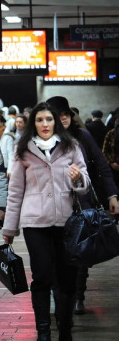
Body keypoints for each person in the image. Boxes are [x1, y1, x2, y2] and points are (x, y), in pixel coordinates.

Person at [2, 102, 91, 341]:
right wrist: (9, 227)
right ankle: (43, 331)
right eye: (40, 120)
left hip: (66, 223)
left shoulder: (71, 147)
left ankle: (65, 330)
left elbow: (84, 185)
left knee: (67, 278)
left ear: (56, 122)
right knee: (41, 276)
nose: (44, 124)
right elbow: (15, 191)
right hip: (35, 223)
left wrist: (78, 179)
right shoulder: (23, 150)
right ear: (34, 124)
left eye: (49, 120)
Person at [46, 96, 119, 316]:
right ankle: (58, 294)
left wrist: (113, 196)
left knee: (81, 251)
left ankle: (78, 296)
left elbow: (103, 168)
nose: (64, 118)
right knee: (53, 254)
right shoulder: (42, 139)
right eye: (58, 115)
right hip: (51, 205)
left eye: (66, 113)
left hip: (81, 203)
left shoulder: (83, 135)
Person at [0, 114, 15, 230]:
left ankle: (5, 219)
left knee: (6, 195)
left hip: (6, 169)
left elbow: (11, 154)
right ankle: (0, 219)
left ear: (2, 123)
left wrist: (10, 170)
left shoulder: (7, 136)